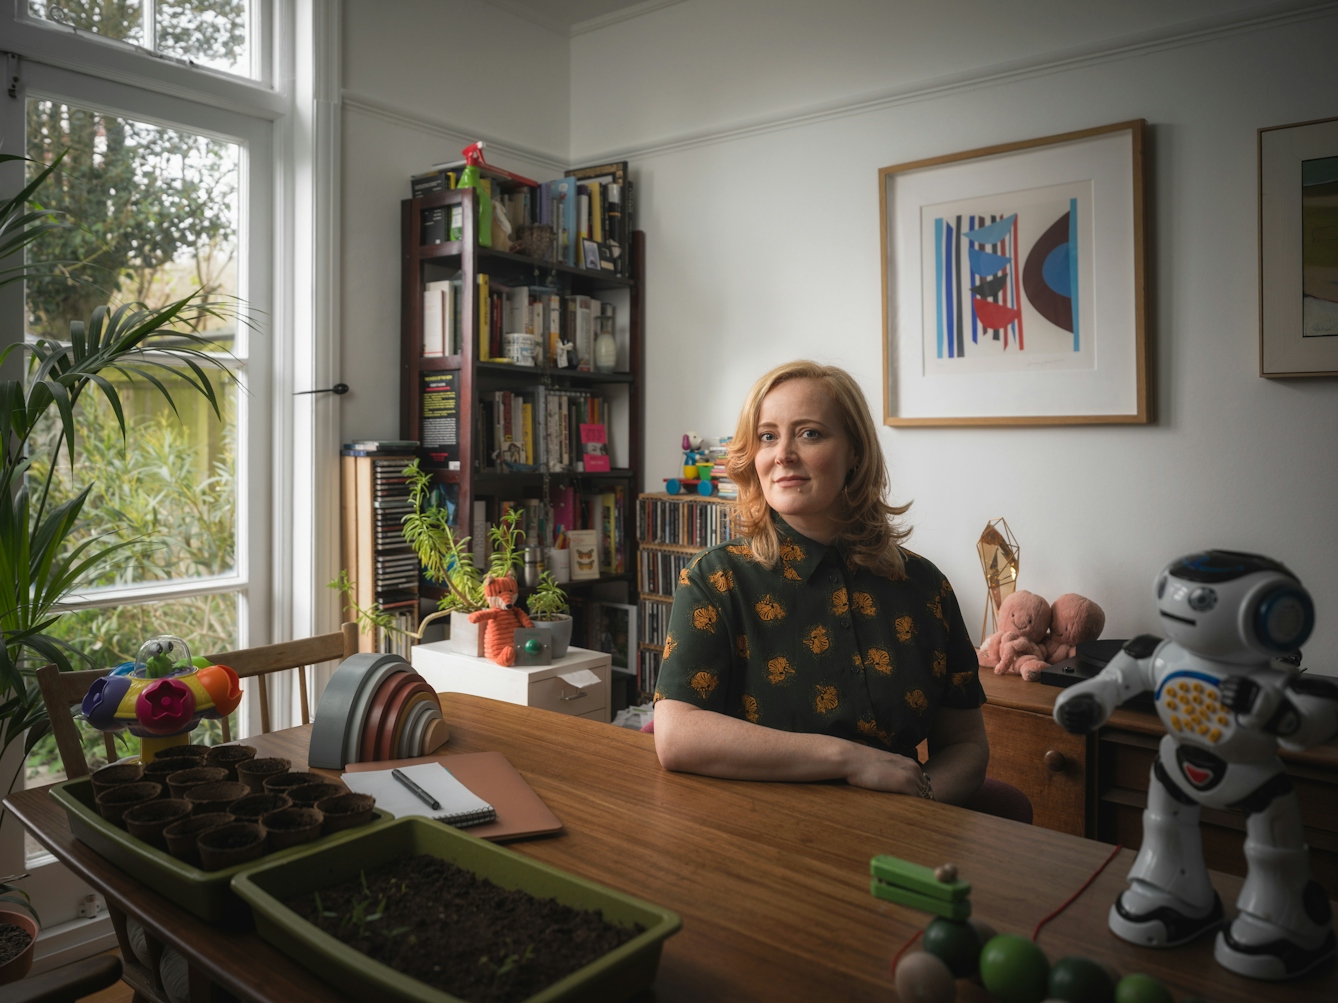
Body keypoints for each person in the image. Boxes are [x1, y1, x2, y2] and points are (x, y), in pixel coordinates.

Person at [652, 361, 989, 805]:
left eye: (809, 433)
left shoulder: (926, 588)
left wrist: (919, 807)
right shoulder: (715, 580)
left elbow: (966, 743)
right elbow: (677, 735)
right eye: (768, 436)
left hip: (902, 841)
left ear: (855, 452)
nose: (783, 454)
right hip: (758, 838)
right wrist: (849, 759)